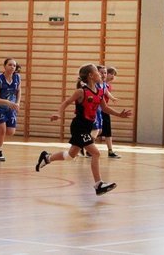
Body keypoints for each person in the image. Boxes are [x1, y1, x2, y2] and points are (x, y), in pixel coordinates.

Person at [35, 63, 132, 196]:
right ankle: (99, 184)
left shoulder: (100, 92)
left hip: (87, 126)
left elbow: (105, 108)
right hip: (79, 127)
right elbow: (66, 102)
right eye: (98, 72)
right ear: (91, 76)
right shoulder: (81, 92)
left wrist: (119, 115)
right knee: (96, 153)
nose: (100, 74)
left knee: (70, 156)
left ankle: (47, 158)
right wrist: (58, 113)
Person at [0, 58, 21, 162]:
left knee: (10, 132)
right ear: (4, 66)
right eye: (10, 65)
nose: (12, 67)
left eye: (14, 65)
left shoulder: (17, 77)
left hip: (11, 108)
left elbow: (18, 91)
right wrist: (8, 102)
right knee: (2, 131)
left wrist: (17, 103)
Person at [100, 66, 121, 159]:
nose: (113, 76)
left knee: (107, 131)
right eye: (111, 74)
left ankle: (110, 151)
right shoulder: (99, 84)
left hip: (105, 109)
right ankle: (84, 147)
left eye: (114, 75)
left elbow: (107, 94)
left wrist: (113, 98)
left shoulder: (107, 86)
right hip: (97, 110)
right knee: (96, 130)